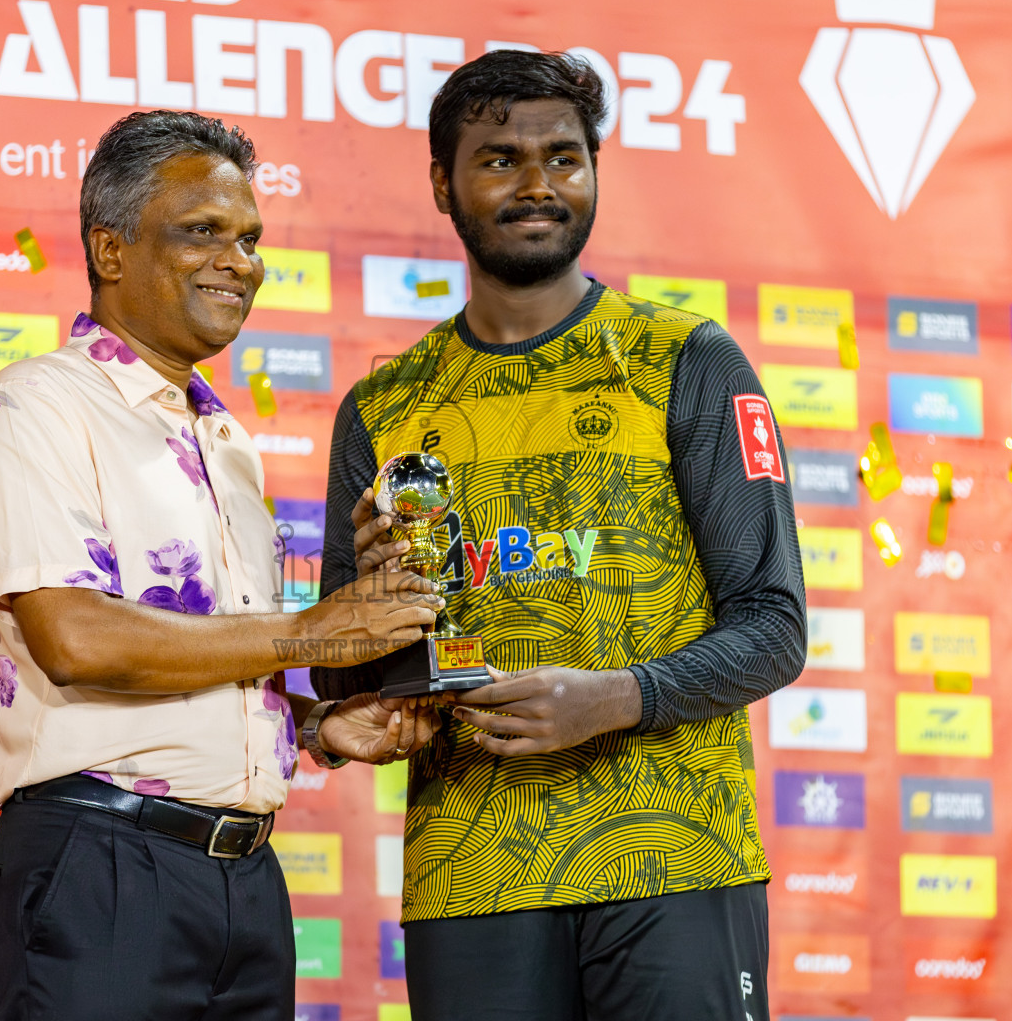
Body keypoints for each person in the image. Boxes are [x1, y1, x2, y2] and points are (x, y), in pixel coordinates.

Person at [313, 51, 807, 1021]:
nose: (538, 183)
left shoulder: (686, 359)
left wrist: (618, 697)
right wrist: (368, 623)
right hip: (474, 871)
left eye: (564, 157)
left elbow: (774, 624)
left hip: (674, 855)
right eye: (499, 158)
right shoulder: (384, 406)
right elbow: (342, 675)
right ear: (441, 183)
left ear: (594, 170)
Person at [0, 110, 444, 1021]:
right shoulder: (38, 406)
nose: (240, 261)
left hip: (243, 882)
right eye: (203, 232)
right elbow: (75, 637)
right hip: (99, 871)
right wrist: (312, 631)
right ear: (110, 251)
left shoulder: (225, 442)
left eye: (251, 238)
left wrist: (316, 725)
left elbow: (208, 659)